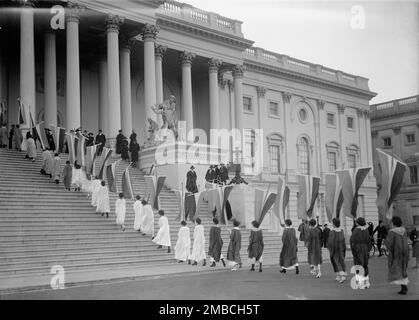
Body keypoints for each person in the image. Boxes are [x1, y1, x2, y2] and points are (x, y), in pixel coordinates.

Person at [385, 216, 409, 295]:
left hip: (396, 253)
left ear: (393, 223)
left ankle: (404, 287)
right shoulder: (404, 230)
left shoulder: (392, 232)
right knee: (403, 269)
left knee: (397, 269)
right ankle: (404, 286)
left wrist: (385, 245)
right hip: (404, 252)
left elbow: (389, 243)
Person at [350, 217, 372, 289]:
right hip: (365, 248)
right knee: (365, 265)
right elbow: (369, 241)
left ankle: (361, 283)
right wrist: (368, 249)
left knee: (358, 265)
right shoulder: (366, 230)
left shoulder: (356, 230)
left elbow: (352, 241)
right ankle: (367, 282)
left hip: (358, 249)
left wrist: (353, 251)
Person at [327, 218, 347, 283]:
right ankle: (338, 276)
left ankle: (342, 276)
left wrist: (329, 248)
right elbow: (343, 241)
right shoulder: (341, 231)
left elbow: (330, 242)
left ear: (334, 224)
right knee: (341, 262)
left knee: (337, 263)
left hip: (335, 250)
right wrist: (344, 249)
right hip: (341, 249)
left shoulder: (332, 232)